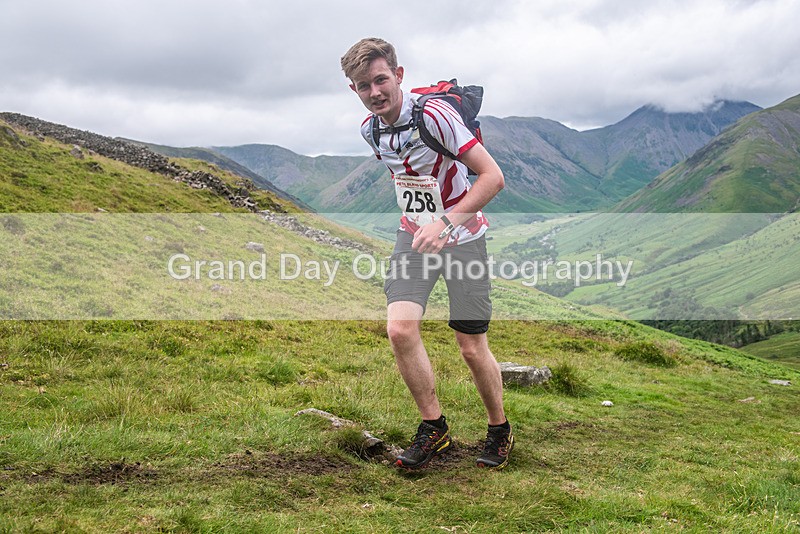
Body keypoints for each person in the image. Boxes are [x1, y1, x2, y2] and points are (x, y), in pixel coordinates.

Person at [340, 38, 513, 469]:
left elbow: (493, 177)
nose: (375, 91)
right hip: (414, 238)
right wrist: (421, 221)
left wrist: (446, 222)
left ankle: (499, 429)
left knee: (471, 346)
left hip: (464, 237)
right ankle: (433, 428)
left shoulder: (434, 115)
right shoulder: (370, 129)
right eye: (364, 85)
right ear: (354, 90)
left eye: (381, 79)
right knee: (400, 330)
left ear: (398, 75)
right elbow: (409, 177)